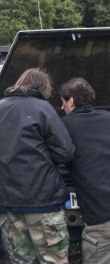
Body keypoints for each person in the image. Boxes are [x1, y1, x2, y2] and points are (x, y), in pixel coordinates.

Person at [0, 68, 74, 263]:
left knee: (21, 260)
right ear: (43, 88)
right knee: (54, 259)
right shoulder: (44, 108)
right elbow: (66, 152)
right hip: (43, 201)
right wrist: (45, 156)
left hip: (7, 203)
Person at [59, 77, 110, 264]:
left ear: (71, 101)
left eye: (63, 102)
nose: (62, 107)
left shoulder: (65, 126)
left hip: (101, 221)